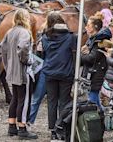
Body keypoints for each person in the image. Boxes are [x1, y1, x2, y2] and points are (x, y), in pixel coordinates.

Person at [0, 9, 37, 139]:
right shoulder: (25, 32)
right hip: (23, 71)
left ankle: (12, 127)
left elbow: (3, 49)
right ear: (25, 18)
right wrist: (28, 61)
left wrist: (7, 65)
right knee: (24, 99)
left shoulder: (10, 32)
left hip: (12, 71)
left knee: (15, 98)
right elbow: (23, 48)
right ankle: (22, 128)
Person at [42, 11, 77, 141]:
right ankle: (61, 128)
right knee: (64, 102)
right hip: (66, 73)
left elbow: (42, 53)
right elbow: (73, 55)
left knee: (51, 102)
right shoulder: (71, 37)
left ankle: (52, 130)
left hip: (50, 72)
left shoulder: (45, 36)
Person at [81, 12, 112, 110]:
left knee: (93, 101)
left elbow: (91, 58)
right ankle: (102, 118)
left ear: (94, 27)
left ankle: (99, 121)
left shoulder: (99, 41)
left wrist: (81, 54)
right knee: (94, 99)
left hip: (96, 73)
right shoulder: (91, 39)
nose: (86, 27)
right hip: (91, 73)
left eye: (88, 25)